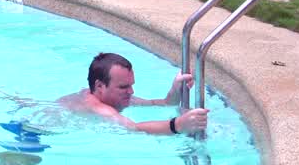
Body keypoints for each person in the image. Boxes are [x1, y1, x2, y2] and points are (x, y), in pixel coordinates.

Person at [58, 52, 208, 135]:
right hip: (39, 132)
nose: (131, 92)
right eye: (123, 87)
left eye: (131, 85)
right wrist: (178, 124)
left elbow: (164, 104)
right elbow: (133, 128)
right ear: (99, 86)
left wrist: (176, 88)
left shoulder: (114, 98)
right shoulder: (96, 106)